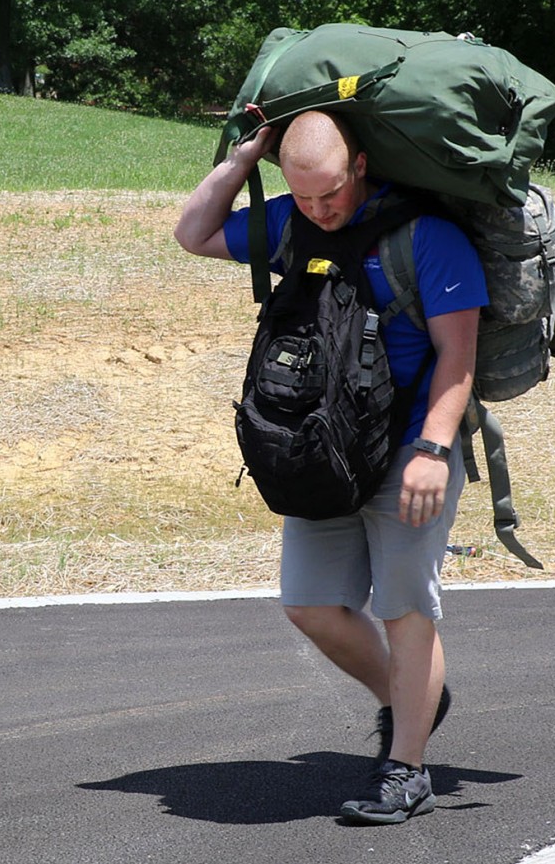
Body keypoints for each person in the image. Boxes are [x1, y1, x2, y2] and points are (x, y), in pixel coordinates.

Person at [174, 110, 488, 824]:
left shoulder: (427, 239)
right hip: (325, 448)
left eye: (331, 194)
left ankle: (406, 767)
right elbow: (191, 233)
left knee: (404, 607)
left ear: (362, 165)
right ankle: (416, 697)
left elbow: (458, 357)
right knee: (310, 603)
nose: (320, 209)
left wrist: (434, 449)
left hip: (411, 448)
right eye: (305, 195)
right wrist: (243, 161)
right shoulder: (291, 224)